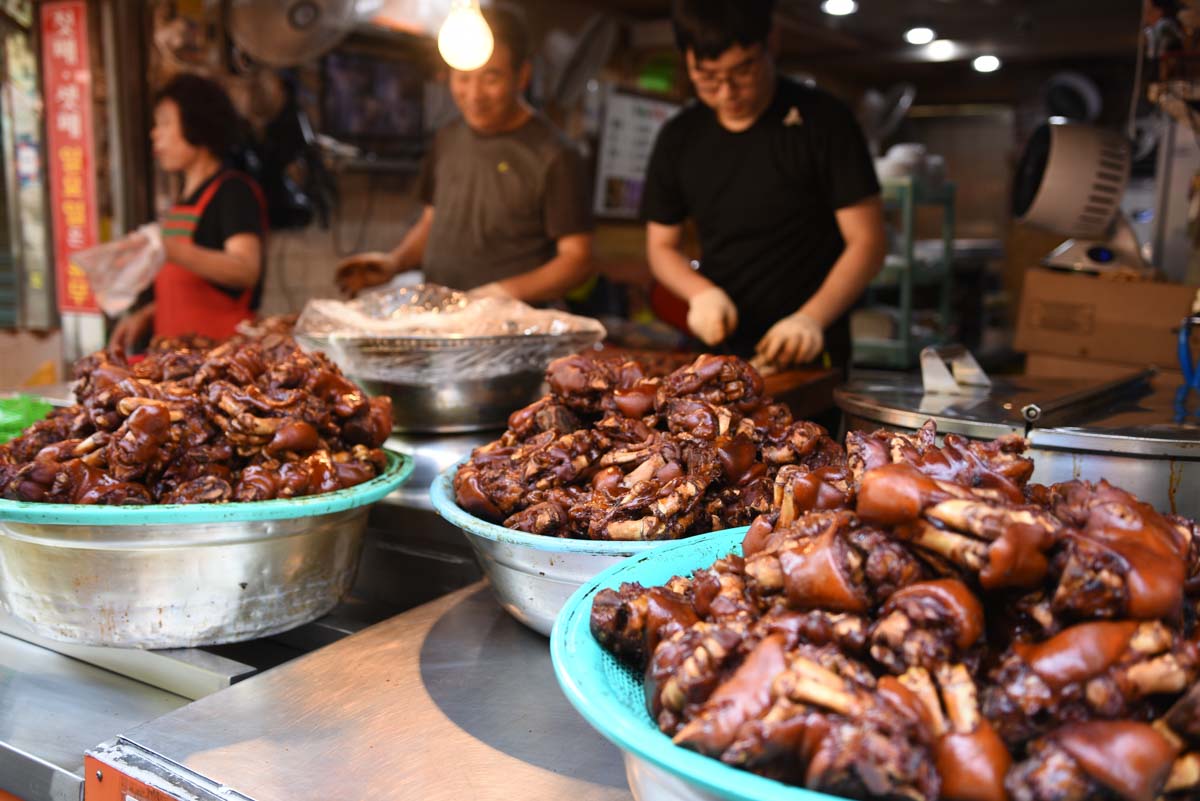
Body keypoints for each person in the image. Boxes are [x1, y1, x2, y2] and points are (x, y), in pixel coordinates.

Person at [642, 0, 887, 371]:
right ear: (687, 59)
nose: (727, 92)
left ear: (771, 42)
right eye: (708, 77)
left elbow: (868, 241)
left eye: (742, 71)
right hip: (720, 346)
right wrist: (701, 294)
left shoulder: (825, 120)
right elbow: (661, 246)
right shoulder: (679, 137)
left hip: (810, 348)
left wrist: (812, 318)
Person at [336, 5, 593, 302]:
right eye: (463, 77)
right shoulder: (447, 136)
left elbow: (577, 259)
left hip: (512, 333)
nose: (474, 95)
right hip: (441, 317)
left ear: (522, 75)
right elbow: (432, 222)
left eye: (491, 78)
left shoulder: (557, 155)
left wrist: (498, 295)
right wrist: (395, 262)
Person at [110, 73, 266, 350]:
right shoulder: (182, 200)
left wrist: (169, 249)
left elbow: (245, 269)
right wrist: (148, 314)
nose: (155, 134)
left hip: (221, 359)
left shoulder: (232, 191)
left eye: (166, 122)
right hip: (175, 357)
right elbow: (185, 290)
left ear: (198, 125)